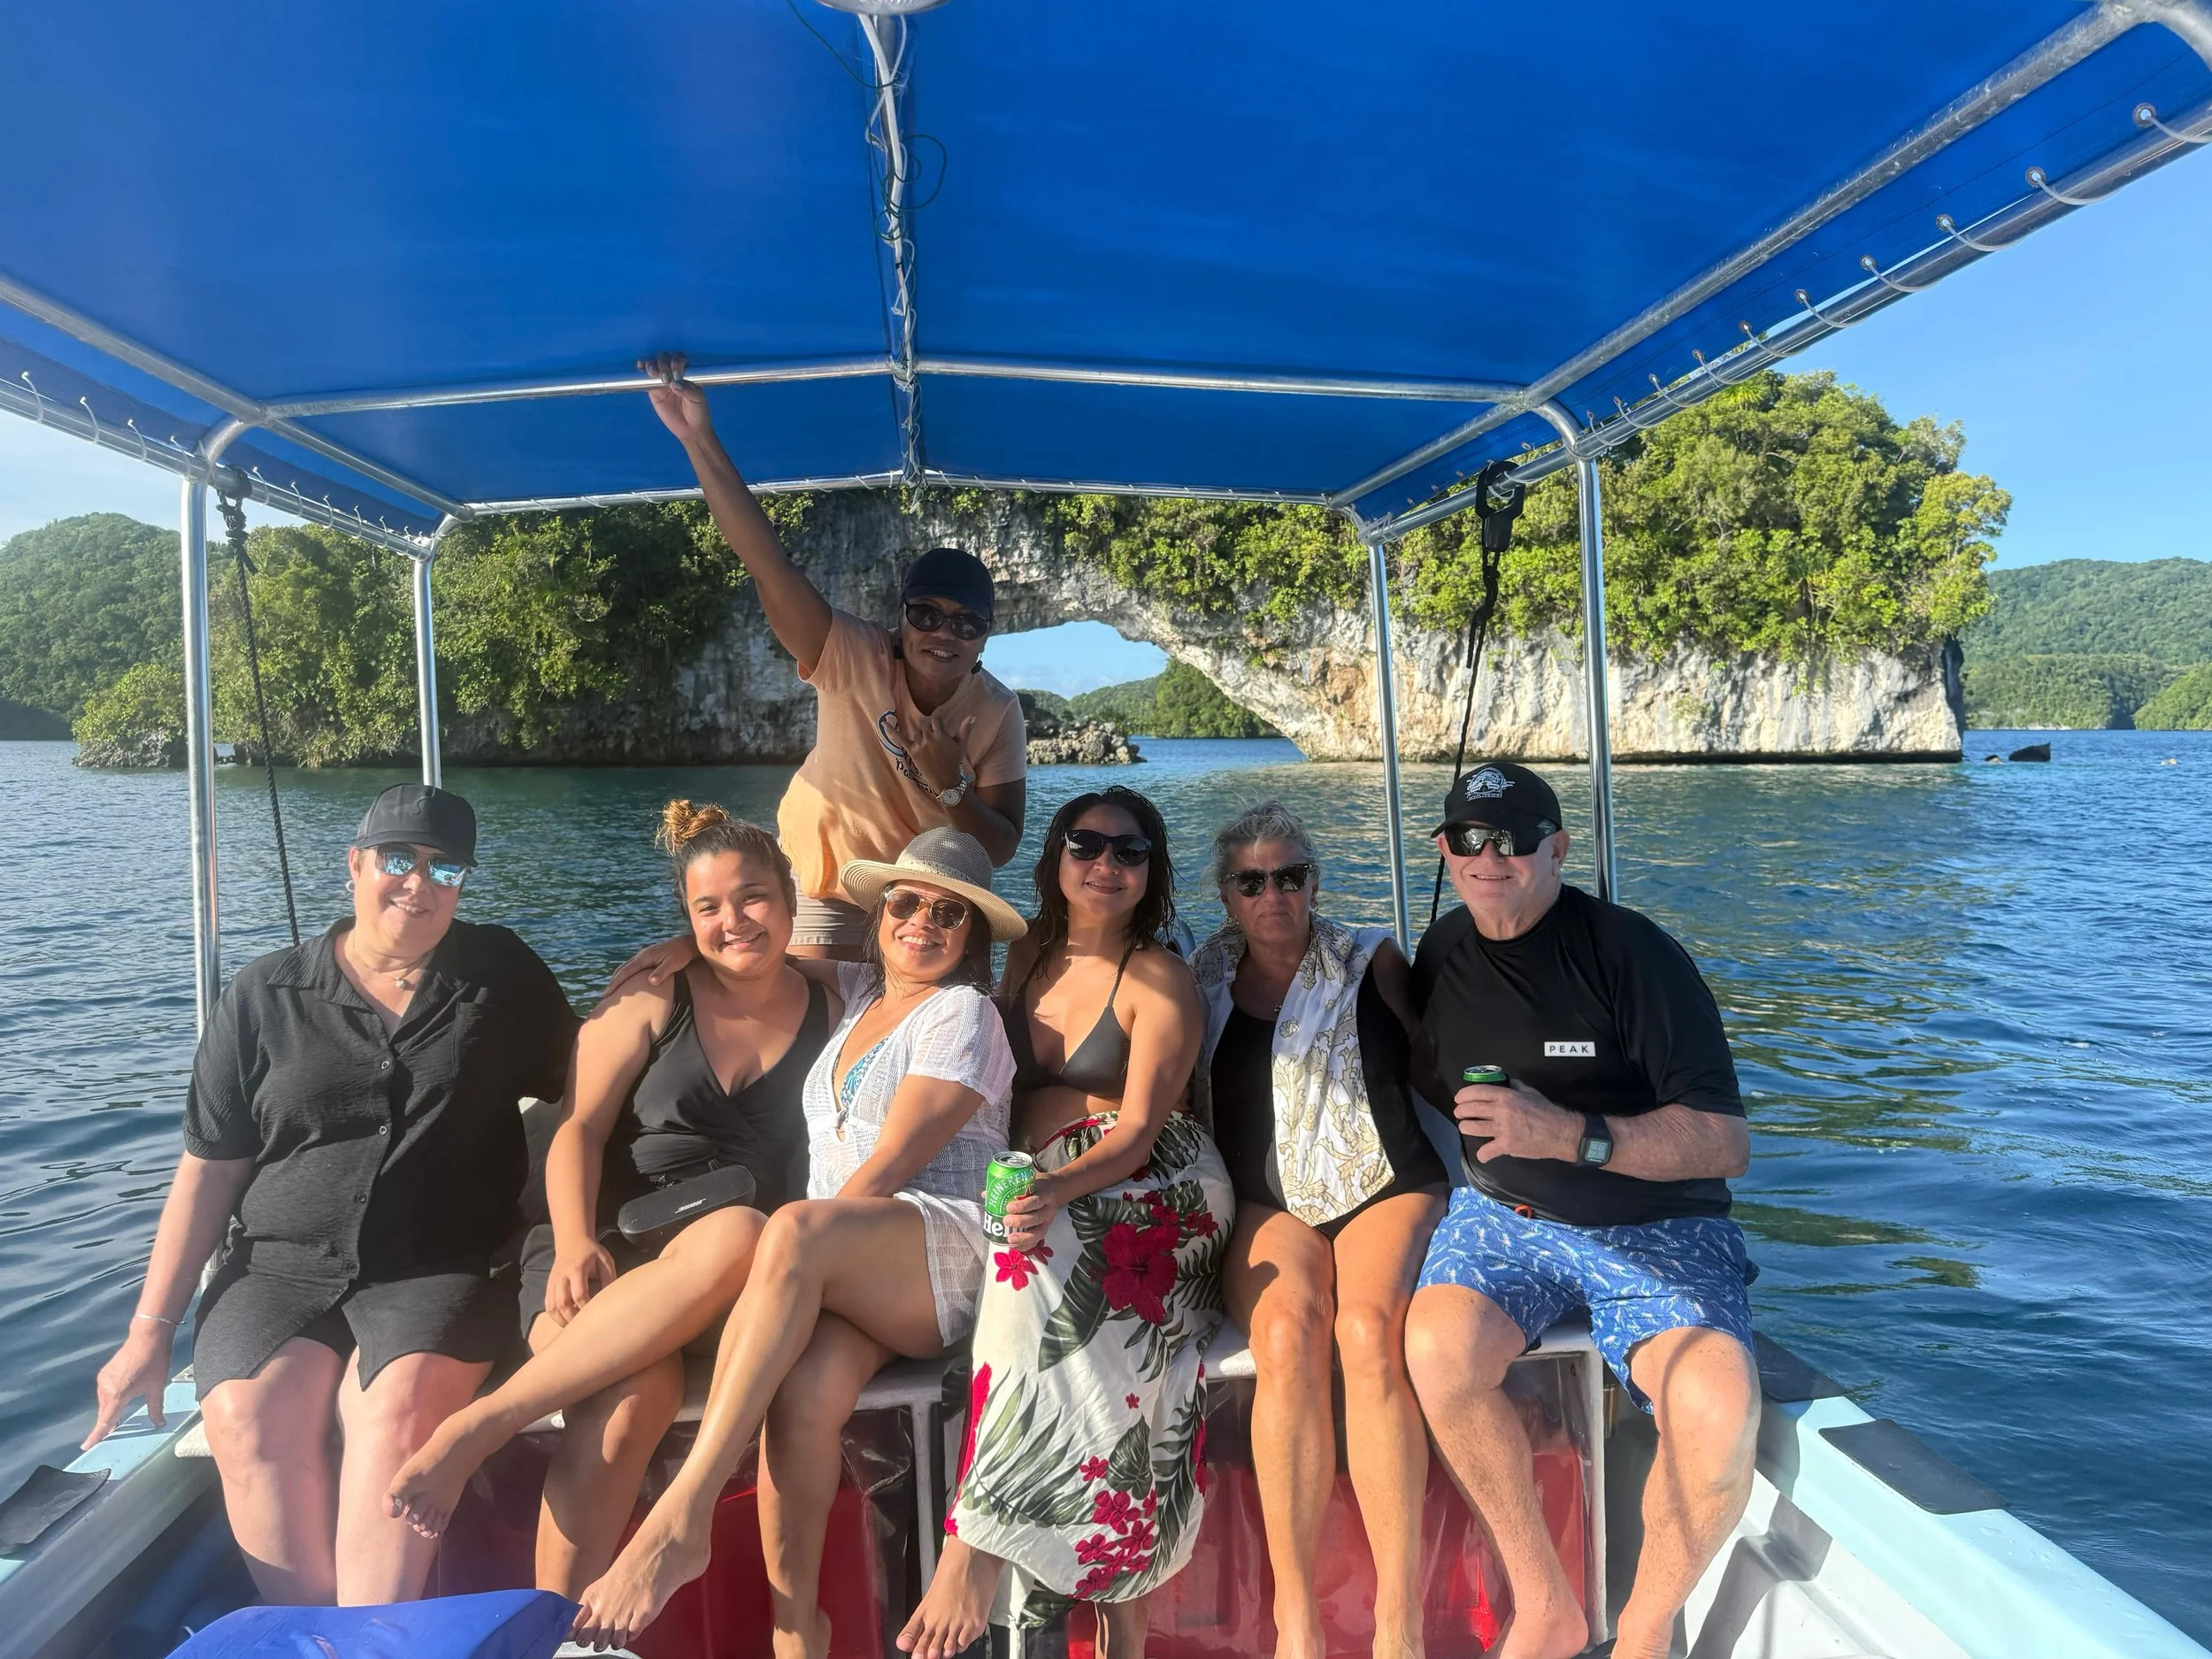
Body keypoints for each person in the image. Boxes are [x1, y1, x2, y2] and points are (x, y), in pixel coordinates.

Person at [81, 785, 576, 1606]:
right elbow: (209, 1169)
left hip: (436, 1268)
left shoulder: (499, 975)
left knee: (396, 1412)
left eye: (445, 867)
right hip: (276, 1270)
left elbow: (591, 1079)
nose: (419, 884)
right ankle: (315, 1633)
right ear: (354, 866)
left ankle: (368, 1636)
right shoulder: (263, 996)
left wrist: (665, 987)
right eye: (398, 859)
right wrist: (148, 1330)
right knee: (246, 1413)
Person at [567, 828, 1026, 1652]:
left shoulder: (966, 1011)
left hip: (940, 1250)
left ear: (973, 934)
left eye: (949, 912)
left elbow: (892, 1165)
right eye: (906, 902)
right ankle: (797, 1632)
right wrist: (682, 943)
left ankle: (685, 1511)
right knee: (805, 1392)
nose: (922, 922)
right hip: (853, 1265)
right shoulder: (855, 994)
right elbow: (757, 954)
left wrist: (794, 1266)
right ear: (878, 914)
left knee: (793, 1227)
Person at [383, 802, 839, 1594]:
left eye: (754, 897)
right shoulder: (651, 996)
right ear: (686, 918)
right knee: (626, 1405)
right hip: (601, 1242)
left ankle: (489, 1426)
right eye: (707, 908)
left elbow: (917, 971)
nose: (734, 921)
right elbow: (577, 1130)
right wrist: (565, 1241)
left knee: (741, 1234)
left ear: (791, 900)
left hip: (741, 1274)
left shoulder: (833, 1007)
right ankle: (552, 1628)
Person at [1402, 763, 1757, 1659]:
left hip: (1660, 1226)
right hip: (1505, 1220)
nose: (1493, 858)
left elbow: (1724, 1142)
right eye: (1471, 840)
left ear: (1557, 848)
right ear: (1444, 852)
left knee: (1715, 1410)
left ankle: (1640, 1633)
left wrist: (1568, 1135)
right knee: (1437, 1348)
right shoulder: (1441, 954)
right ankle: (1547, 1606)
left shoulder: (1633, 957)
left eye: (1516, 839)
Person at [900, 789, 1233, 1659]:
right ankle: (1116, 1613)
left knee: (1030, 1264)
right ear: (1055, 858)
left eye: (1130, 852)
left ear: (1150, 874)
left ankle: (973, 1542)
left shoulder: (1157, 978)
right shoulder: (1023, 961)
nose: (1106, 865)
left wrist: (1056, 1190)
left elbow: (1138, 1134)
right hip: (1046, 1185)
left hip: (1157, 1186)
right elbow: (888, 961)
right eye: (1087, 845)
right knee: (1043, 1270)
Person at [640, 351, 1025, 956]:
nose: (943, 632)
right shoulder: (854, 656)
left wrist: (952, 786)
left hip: (929, 900)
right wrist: (698, 436)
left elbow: (1001, 845)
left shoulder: (998, 710)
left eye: (965, 622)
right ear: (901, 619)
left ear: (983, 639)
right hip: (827, 896)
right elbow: (768, 566)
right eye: (926, 613)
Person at [1183, 801, 1449, 1659]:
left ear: (1313, 883)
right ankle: (1294, 1619)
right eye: (1251, 881)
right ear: (1225, 895)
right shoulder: (1199, 980)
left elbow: (1433, 1055)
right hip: (1266, 1202)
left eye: (1290, 876)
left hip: (1383, 1182)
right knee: (1292, 1333)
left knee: (1368, 1330)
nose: (1273, 895)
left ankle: (1397, 1618)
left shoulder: (1368, 957)